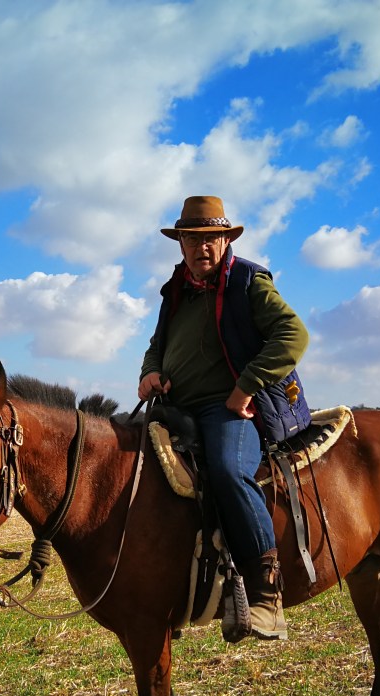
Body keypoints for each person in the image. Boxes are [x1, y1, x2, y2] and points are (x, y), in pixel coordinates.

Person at [139, 196, 309, 640]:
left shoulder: (249, 281)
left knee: (230, 472)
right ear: (180, 245)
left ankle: (266, 593)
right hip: (174, 410)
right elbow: (156, 344)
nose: (201, 248)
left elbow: (294, 334)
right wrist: (150, 372)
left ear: (225, 240)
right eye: (192, 240)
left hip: (225, 408)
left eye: (210, 238)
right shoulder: (175, 290)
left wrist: (246, 386)